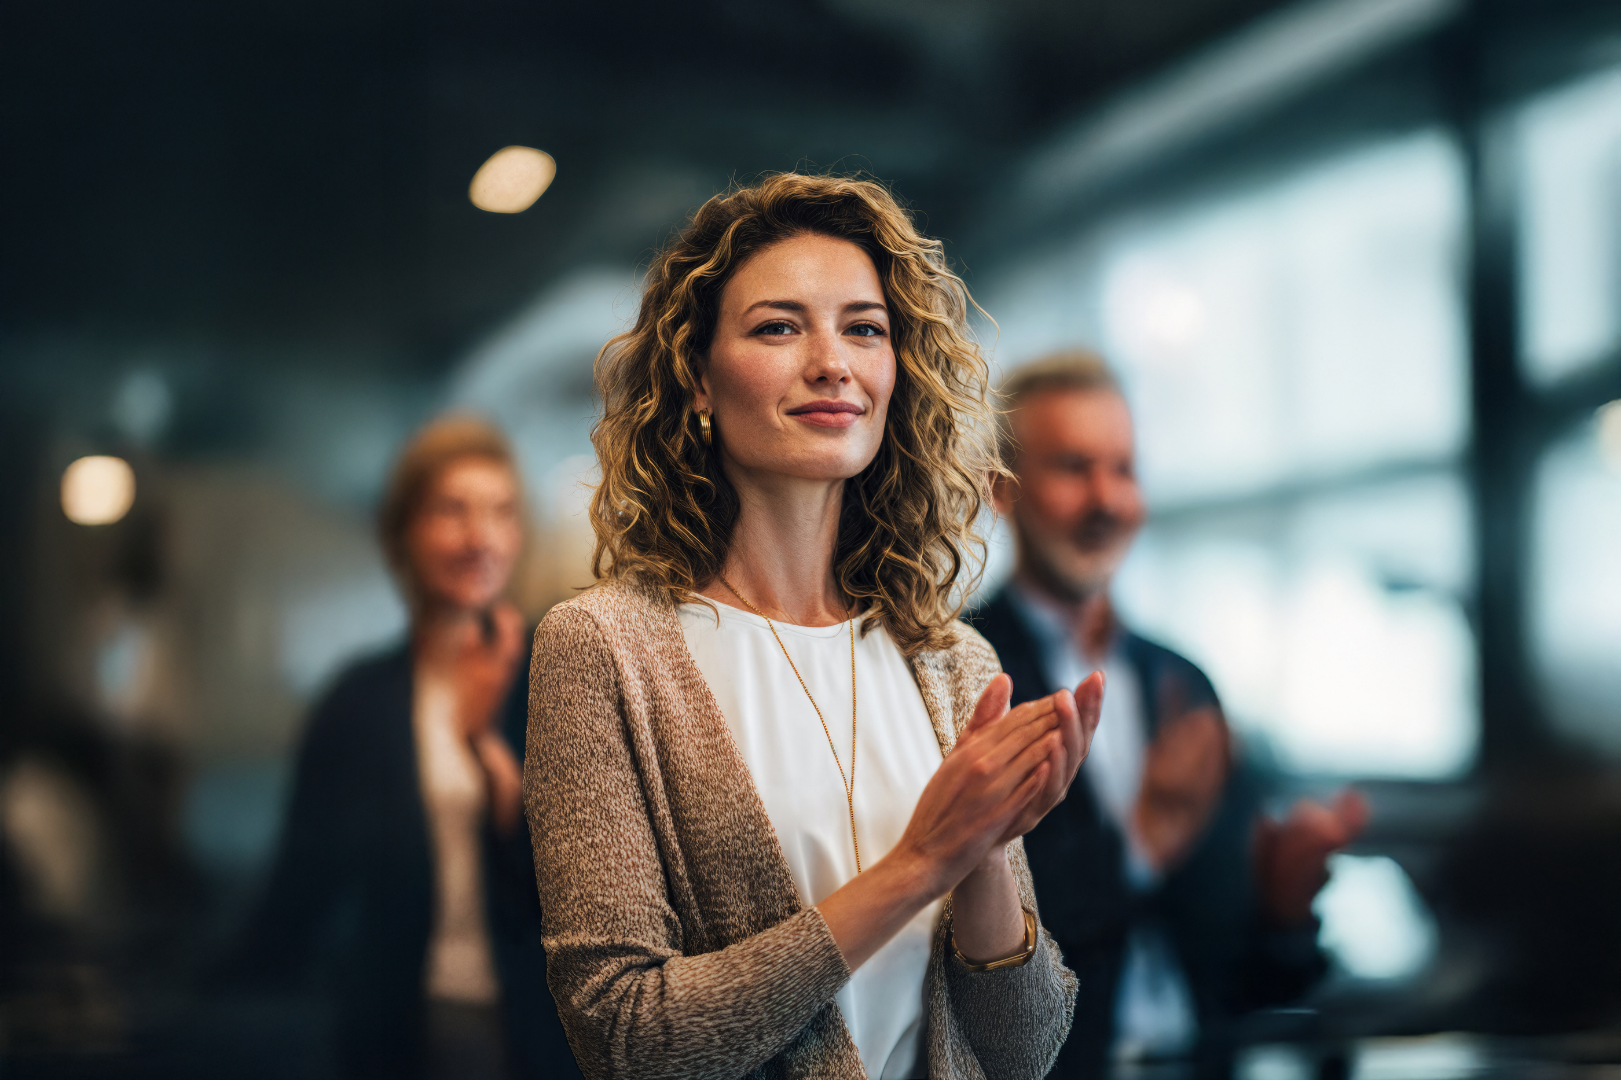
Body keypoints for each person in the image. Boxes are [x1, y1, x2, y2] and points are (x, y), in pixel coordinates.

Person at [524, 174, 1100, 1080]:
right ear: (697, 377)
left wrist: (983, 853)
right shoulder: (605, 648)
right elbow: (627, 1036)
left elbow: (1021, 1051)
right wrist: (921, 861)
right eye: (778, 327)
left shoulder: (950, 661)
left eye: (864, 328)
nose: (832, 361)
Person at [970, 350, 1369, 1077]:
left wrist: (1284, 910)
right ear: (1002, 487)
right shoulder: (964, 675)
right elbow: (968, 952)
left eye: (1123, 470)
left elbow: (1252, 982)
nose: (1107, 499)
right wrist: (1141, 842)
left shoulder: (1184, 684)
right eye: (1072, 467)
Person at [232, 416, 579, 1080]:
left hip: (541, 1022)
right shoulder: (357, 701)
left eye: (500, 512)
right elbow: (300, 887)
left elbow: (580, 888)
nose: (480, 537)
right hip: (397, 1025)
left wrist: (486, 751)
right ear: (404, 532)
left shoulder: (562, 671)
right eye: (452, 511)